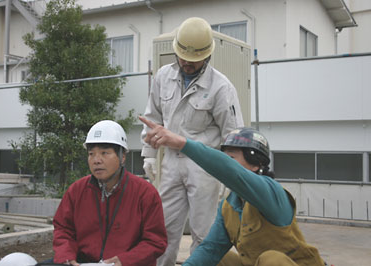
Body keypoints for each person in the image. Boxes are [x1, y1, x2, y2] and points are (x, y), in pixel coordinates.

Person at [139, 116, 326, 266]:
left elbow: (232, 173)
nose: (226, 163)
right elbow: (210, 249)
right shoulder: (229, 206)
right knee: (218, 259)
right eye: (225, 157)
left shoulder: (271, 193)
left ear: (256, 165)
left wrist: (182, 143)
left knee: (272, 260)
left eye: (231, 157)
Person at [141, 17, 243, 266]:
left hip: (205, 166)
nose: (186, 62)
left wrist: (230, 174)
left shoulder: (221, 88)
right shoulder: (164, 77)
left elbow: (233, 136)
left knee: (203, 232)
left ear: (206, 56)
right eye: (182, 56)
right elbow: (152, 116)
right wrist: (149, 154)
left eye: (193, 59)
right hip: (171, 163)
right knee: (163, 228)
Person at [52, 120, 167, 266]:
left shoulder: (144, 193)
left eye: (104, 153)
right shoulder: (77, 191)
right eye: (91, 154)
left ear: (122, 156)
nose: (96, 160)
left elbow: (156, 241)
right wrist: (67, 258)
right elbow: (63, 229)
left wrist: (123, 261)